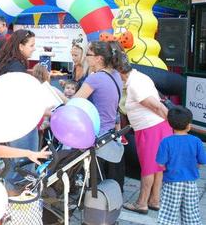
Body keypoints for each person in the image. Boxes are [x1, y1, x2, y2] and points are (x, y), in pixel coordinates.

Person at [118, 56, 172, 215]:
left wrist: (176, 125)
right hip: (157, 126)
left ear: (119, 71)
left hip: (151, 128)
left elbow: (157, 106)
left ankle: (142, 203)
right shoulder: (139, 77)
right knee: (157, 166)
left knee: (148, 167)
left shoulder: (135, 84)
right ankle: (154, 200)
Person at [72, 40, 125, 190]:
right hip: (109, 134)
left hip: (95, 134)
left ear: (99, 58)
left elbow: (74, 102)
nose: (86, 57)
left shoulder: (95, 79)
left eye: (88, 54)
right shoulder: (116, 76)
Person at [0, 29, 39, 195]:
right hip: (20, 122)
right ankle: (17, 205)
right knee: (22, 168)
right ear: (20, 46)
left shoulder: (8, 63)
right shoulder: (17, 66)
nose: (34, 48)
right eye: (31, 45)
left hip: (9, 121)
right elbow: (20, 96)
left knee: (13, 165)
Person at [156, 106, 206, 225]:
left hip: (171, 183)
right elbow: (202, 161)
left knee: (170, 215)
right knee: (191, 214)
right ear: (189, 125)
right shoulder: (196, 141)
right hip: (190, 183)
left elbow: (160, 163)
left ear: (170, 124)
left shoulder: (166, 142)